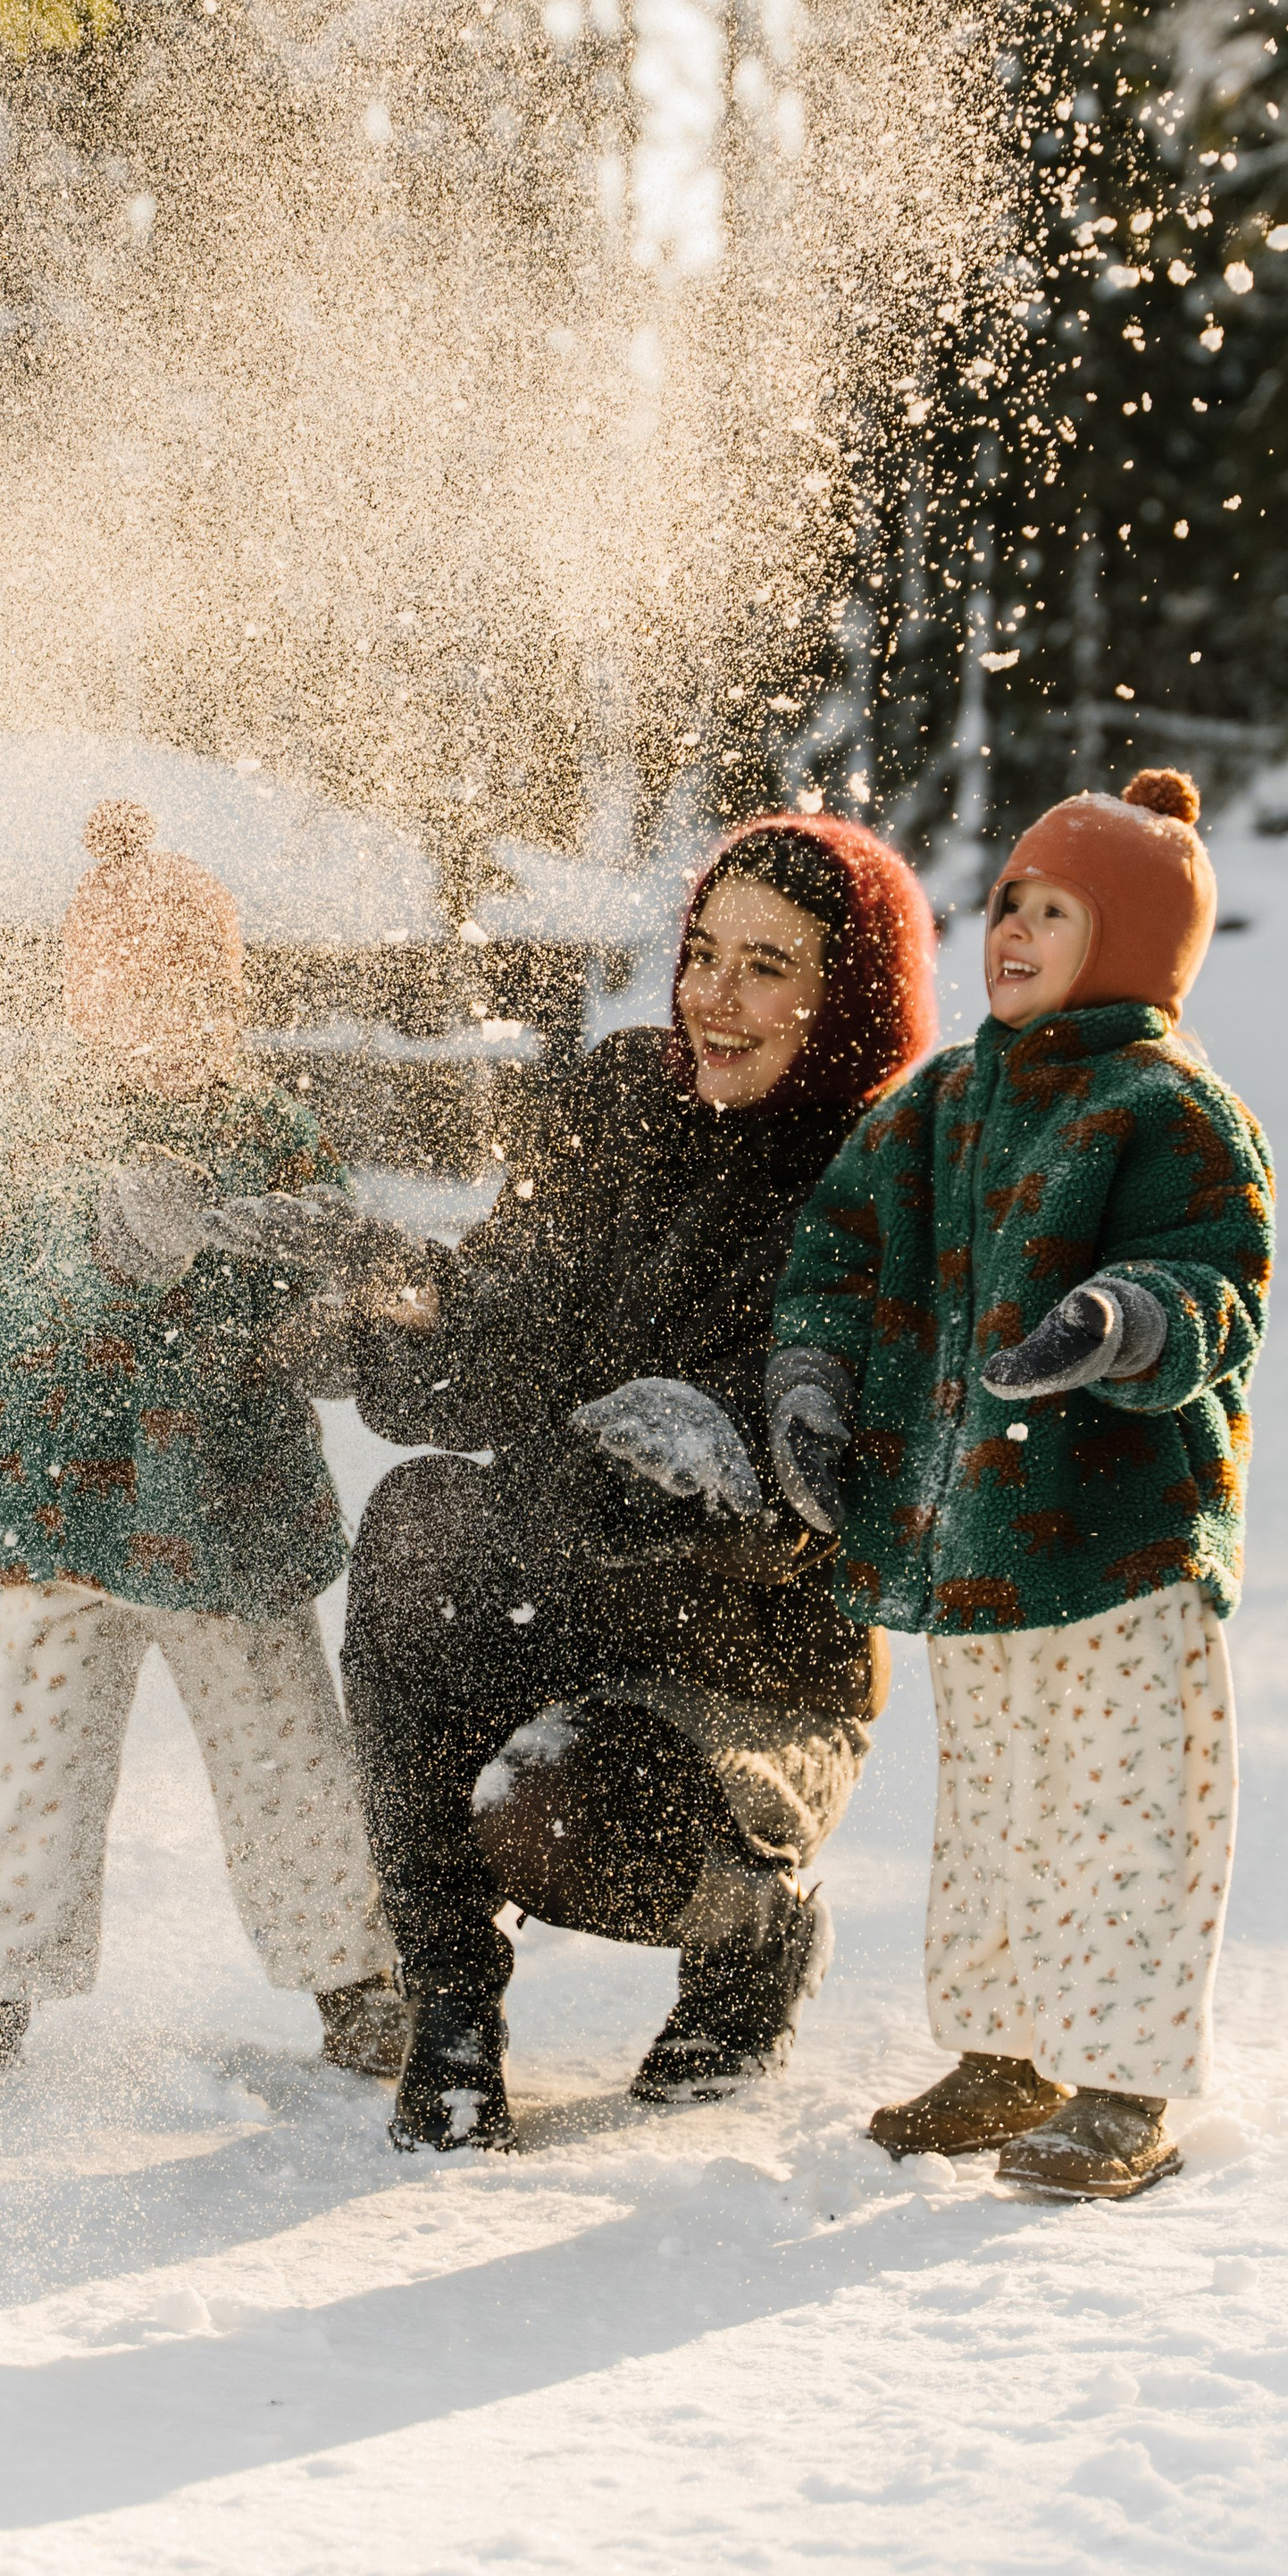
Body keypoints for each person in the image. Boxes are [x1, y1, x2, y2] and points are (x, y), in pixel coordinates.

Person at [289, 816, 940, 2152]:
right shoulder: (622, 1103)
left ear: (849, 997)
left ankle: (754, 1935)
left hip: (746, 1664)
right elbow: (492, 1344)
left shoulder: (880, 1178)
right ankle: (451, 2013)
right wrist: (383, 1306)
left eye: (768, 967)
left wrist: (727, 1463)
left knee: (562, 1813)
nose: (715, 996)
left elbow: (854, 1479)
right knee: (417, 1519)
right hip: (560, 1599)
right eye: (703, 953)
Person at [767, 768, 1274, 2201]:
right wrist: (813, 1382)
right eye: (1008, 904)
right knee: (994, 1812)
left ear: (1132, 945)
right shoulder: (945, 1100)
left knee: (1122, 1815)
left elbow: (1217, 1279)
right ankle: (1005, 2053)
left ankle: (1124, 2085)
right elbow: (839, 1248)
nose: (1015, 932)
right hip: (976, 1542)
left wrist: (1124, 1321)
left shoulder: (1167, 1107)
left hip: (1116, 1545)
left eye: (1058, 913)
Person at [0, 801, 401, 2100]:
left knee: (287, 1757)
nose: (173, 1018)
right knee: (42, 1766)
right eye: (138, 992)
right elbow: (42, 1263)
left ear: (234, 995)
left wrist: (336, 1297)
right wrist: (120, 1242)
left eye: (200, 991)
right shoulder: (47, 1118)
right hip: (72, 1505)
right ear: (85, 1002)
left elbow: (326, 1259)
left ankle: (354, 1978)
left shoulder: (275, 1132)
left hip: (229, 1510)